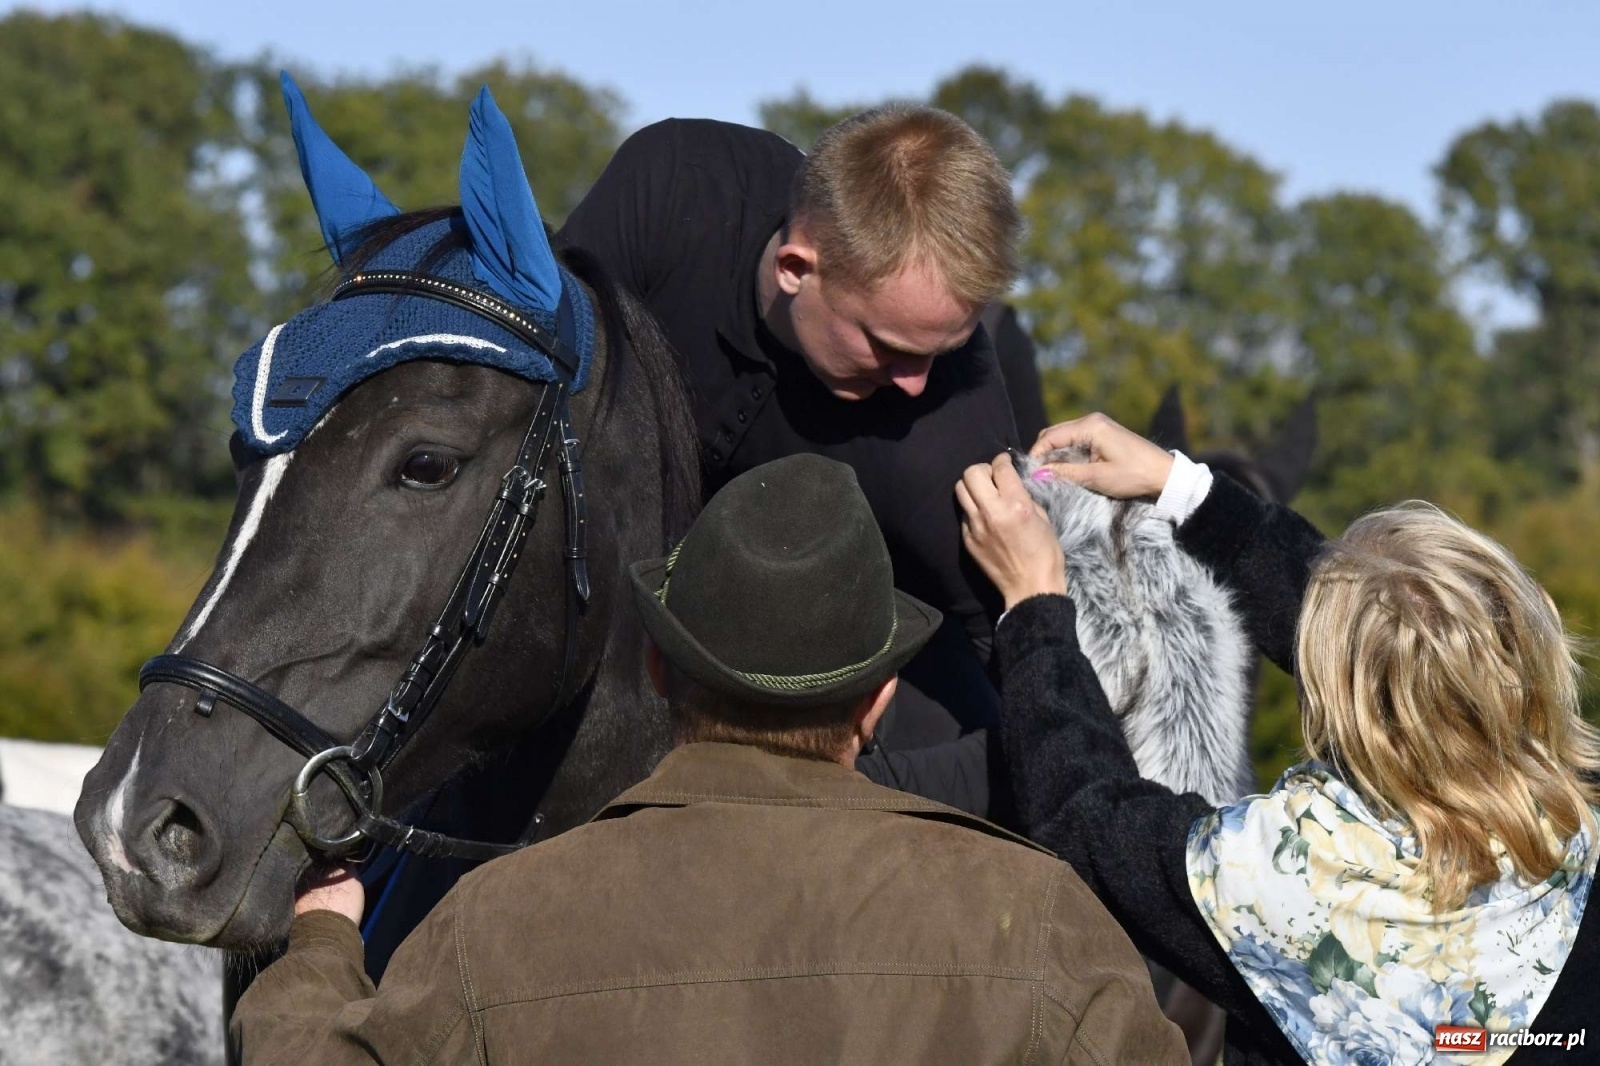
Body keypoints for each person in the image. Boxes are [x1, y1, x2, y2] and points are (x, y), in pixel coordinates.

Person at [229, 453, 1188, 1065]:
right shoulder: (1039, 923)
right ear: (881, 697)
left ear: (657, 667)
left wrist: (319, 941)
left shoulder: (497, 923)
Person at [954, 420, 1600, 1066]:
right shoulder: (1571, 816)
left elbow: (1087, 818)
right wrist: (1182, 489)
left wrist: (1035, 602)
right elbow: (1406, 653)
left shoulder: (1284, 883)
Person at [557, 108, 1023, 809]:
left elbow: (1020, 649)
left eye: (941, 353)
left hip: (821, 682)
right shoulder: (672, 190)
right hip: (587, 603)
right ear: (797, 268)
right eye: (889, 347)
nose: (915, 383)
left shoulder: (953, 419)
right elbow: (526, 409)